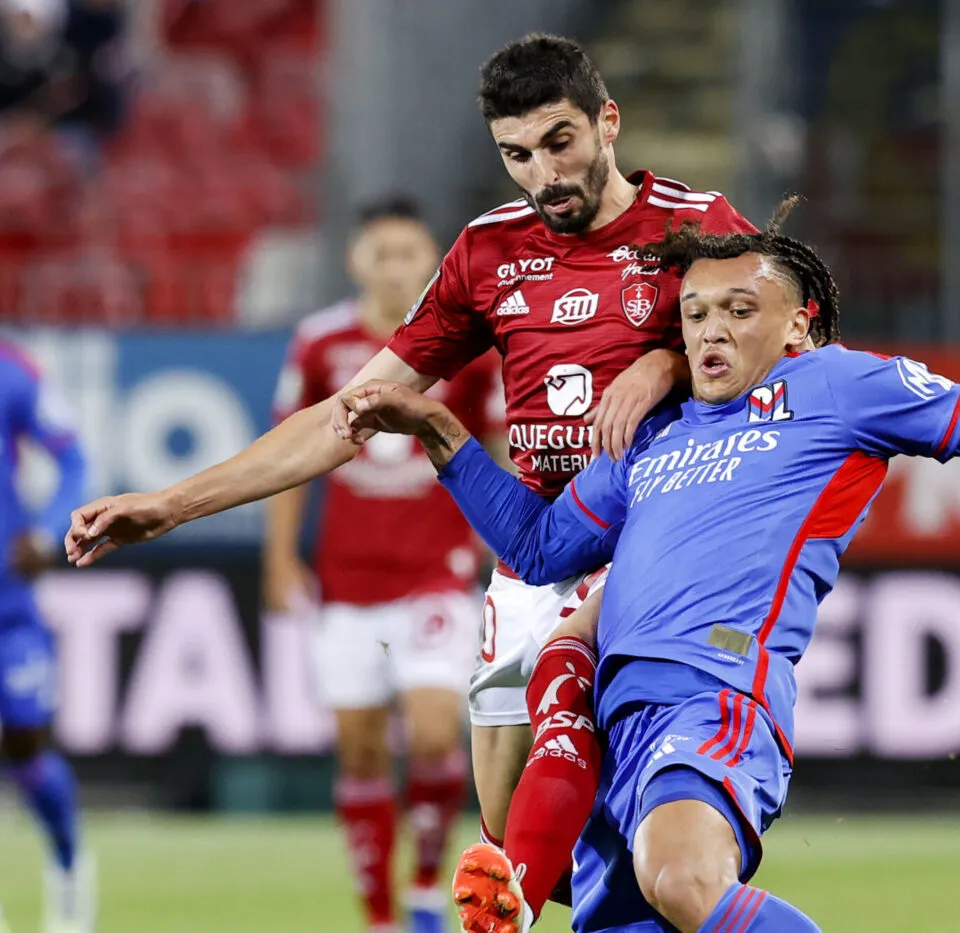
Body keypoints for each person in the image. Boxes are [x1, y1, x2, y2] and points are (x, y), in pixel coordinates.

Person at [339, 203, 960, 933]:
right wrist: (439, 432)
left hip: (713, 695)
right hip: (619, 724)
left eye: (738, 311)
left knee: (682, 881)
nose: (709, 333)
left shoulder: (837, 389)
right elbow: (541, 550)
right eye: (692, 317)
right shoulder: (655, 442)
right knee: (646, 864)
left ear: (799, 323)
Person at [63, 33, 758, 930]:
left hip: (654, 553)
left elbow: (793, 335)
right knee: (513, 848)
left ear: (608, 122)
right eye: (517, 154)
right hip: (534, 554)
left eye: (561, 143)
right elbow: (343, 416)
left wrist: (667, 360)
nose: (543, 175)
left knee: (604, 819)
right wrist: (169, 506)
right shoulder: (487, 254)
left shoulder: (694, 222)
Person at [264, 196, 507, 933]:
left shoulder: (468, 346)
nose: (396, 266)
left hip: (437, 570)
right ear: (357, 260)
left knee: (436, 729)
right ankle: (378, 916)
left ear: (430, 258)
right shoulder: (319, 342)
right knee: (361, 746)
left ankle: (428, 887)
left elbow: (497, 455)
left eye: (410, 253)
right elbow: (289, 454)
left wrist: (512, 552)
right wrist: (281, 557)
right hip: (348, 580)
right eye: (383, 253)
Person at [0, 338, 93, 933]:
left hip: (10, 604)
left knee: (25, 748)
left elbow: (75, 460)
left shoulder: (14, 372)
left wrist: (44, 528)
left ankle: (68, 866)